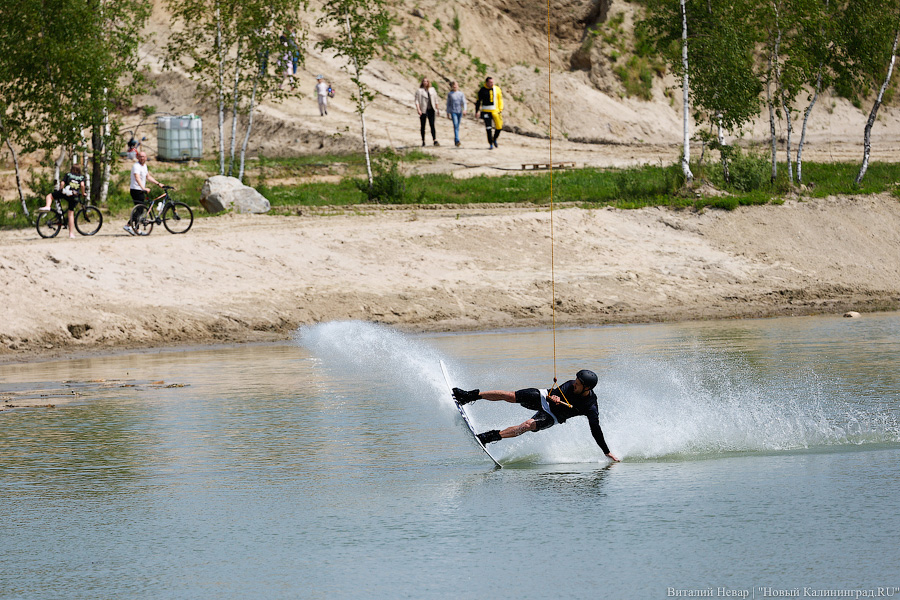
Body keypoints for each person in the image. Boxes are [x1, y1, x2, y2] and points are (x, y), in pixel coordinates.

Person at [452, 369, 620, 462]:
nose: (574, 384)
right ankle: (469, 396)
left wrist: (606, 451)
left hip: (552, 417)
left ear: (587, 388)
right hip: (544, 398)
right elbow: (554, 394)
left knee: (527, 425)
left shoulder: (590, 406)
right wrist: (554, 397)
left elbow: (595, 430)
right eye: (575, 382)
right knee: (509, 395)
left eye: (578, 384)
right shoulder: (570, 384)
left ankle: (489, 437)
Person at [38, 164, 87, 239]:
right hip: (74, 196)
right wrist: (83, 193)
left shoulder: (68, 174)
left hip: (66, 192)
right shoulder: (81, 177)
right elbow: (82, 185)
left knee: (49, 196)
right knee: (70, 214)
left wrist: (61, 190)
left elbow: (62, 183)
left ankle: (48, 206)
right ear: (79, 170)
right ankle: (71, 234)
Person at [123, 151, 162, 236]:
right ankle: (130, 226)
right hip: (136, 189)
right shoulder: (136, 166)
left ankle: (134, 227)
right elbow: (137, 177)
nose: (142, 158)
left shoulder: (144, 166)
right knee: (140, 209)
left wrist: (158, 184)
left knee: (140, 210)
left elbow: (148, 177)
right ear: (137, 157)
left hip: (140, 190)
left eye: (143, 156)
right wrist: (143, 188)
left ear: (146, 157)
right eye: (140, 156)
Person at [474, 76, 503, 149]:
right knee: (488, 128)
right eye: (490, 82)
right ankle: (490, 143)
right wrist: (477, 111)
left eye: (492, 82)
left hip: (496, 111)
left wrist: (500, 109)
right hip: (486, 111)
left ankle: (494, 139)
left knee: (499, 127)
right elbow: (478, 102)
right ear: (486, 83)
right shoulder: (482, 90)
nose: (492, 84)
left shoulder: (497, 89)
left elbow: (500, 99)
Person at [415, 78, 440, 147]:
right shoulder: (419, 91)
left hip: (431, 109)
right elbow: (416, 100)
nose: (425, 82)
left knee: (432, 125)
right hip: (423, 109)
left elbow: (436, 99)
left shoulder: (432, 89)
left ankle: (434, 140)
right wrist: (418, 109)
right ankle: (423, 141)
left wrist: (437, 108)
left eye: (427, 81)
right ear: (422, 82)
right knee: (423, 126)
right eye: (424, 81)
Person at [445, 81, 467, 147]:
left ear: (458, 86)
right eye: (454, 85)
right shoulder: (450, 94)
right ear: (452, 86)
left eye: (456, 85)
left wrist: (465, 110)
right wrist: (447, 112)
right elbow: (448, 103)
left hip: (459, 111)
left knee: (457, 125)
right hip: (453, 111)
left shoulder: (461, 94)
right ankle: (457, 140)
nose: (455, 86)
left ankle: (456, 140)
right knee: (455, 124)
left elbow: (464, 102)